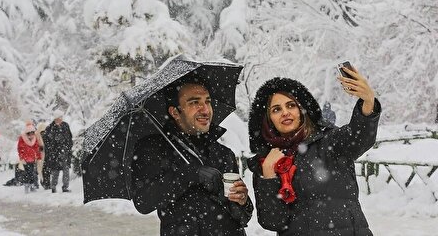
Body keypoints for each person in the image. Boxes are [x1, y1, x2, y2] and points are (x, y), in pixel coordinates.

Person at [247, 65, 381, 235]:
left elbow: (359, 137)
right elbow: (273, 221)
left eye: (291, 105)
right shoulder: (266, 162)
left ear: (302, 110)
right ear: (268, 119)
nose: (285, 113)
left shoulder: (329, 141)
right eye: (276, 109)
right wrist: (268, 175)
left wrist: (368, 101)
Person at [131, 75, 253, 236]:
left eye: (207, 101)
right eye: (195, 102)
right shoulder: (154, 149)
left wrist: (242, 202)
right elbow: (143, 202)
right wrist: (190, 174)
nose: (205, 109)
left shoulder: (223, 154)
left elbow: (243, 218)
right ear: (175, 112)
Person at [43, 110, 73, 193]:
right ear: (55, 118)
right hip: (55, 154)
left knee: (66, 170)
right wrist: (52, 150)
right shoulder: (50, 128)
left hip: (65, 153)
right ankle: (53, 186)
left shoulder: (65, 125)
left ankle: (65, 187)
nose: (60, 119)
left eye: (61, 117)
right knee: (55, 171)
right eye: (59, 117)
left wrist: (69, 147)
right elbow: (46, 141)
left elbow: (70, 138)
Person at [17, 121, 42, 193]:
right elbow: (19, 148)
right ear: (27, 133)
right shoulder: (22, 138)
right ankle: (26, 186)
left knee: (32, 173)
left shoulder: (35, 139)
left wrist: (39, 157)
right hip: (25, 159)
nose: (31, 135)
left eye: (32, 133)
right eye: (29, 133)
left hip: (33, 158)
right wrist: (21, 158)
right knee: (26, 173)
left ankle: (31, 186)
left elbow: (37, 148)